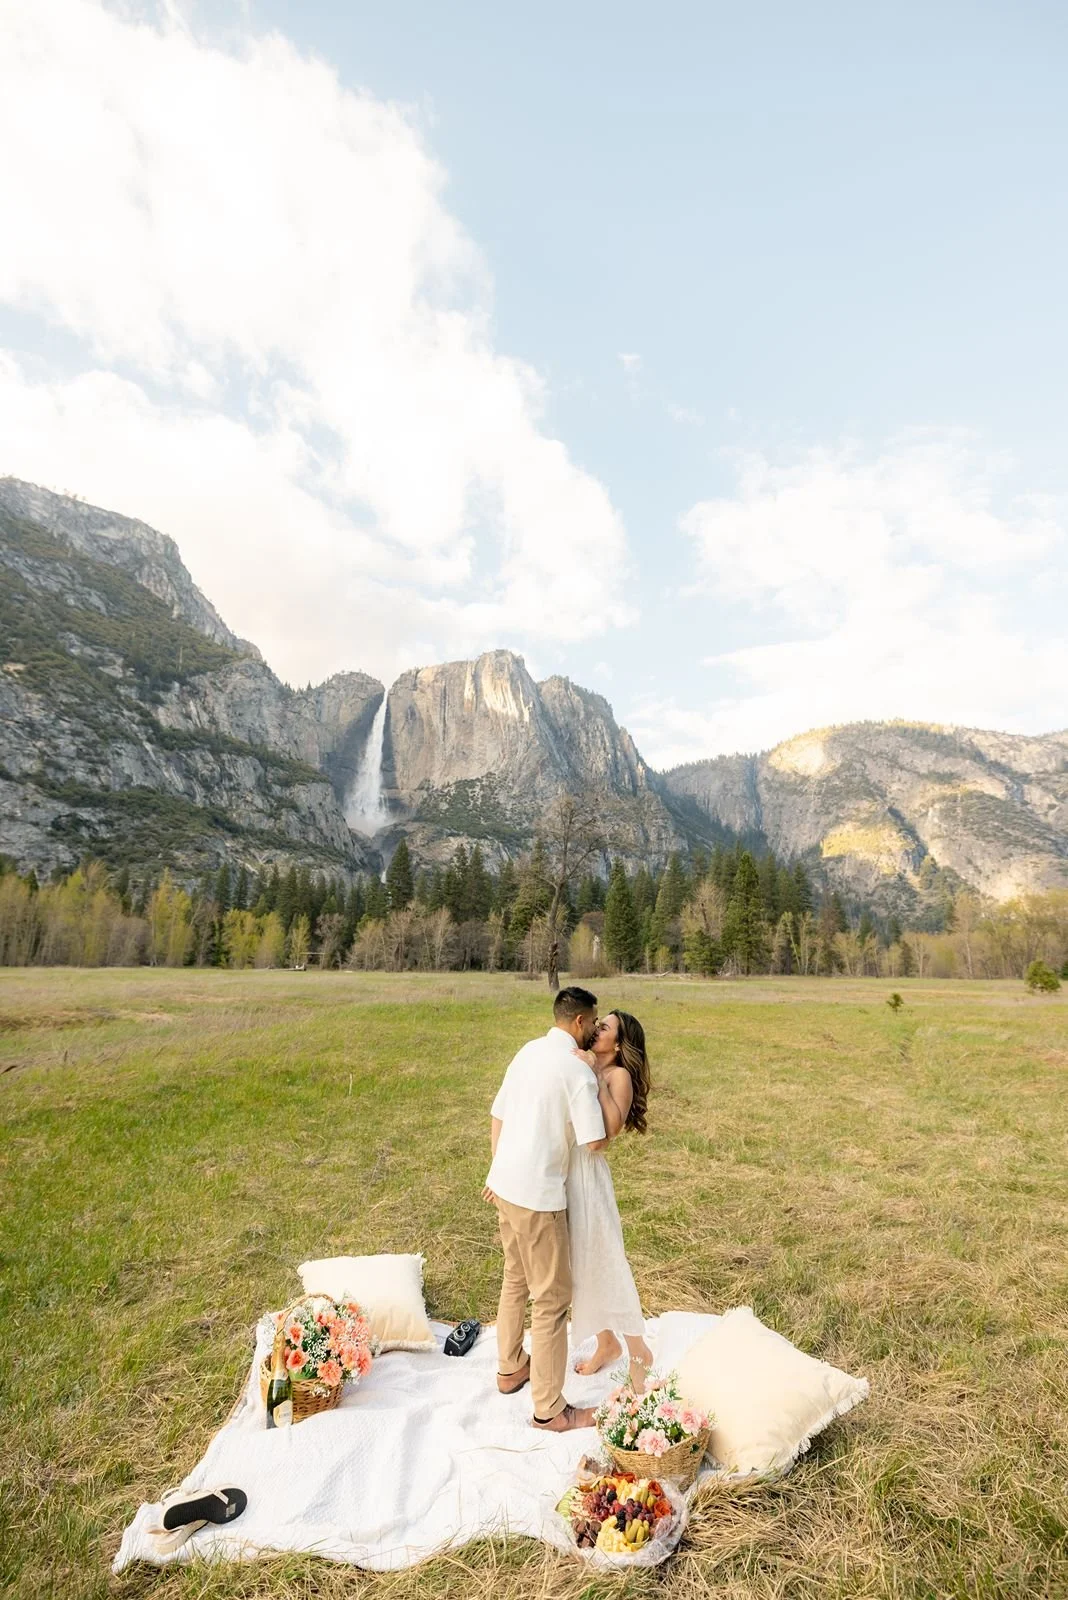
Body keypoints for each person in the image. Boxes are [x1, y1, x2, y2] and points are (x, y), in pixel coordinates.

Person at [483, 986, 606, 1431]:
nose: (594, 1031)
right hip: (537, 1196)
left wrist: (495, 1170)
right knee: (552, 1299)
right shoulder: (577, 1070)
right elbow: (594, 1140)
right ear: (578, 1022)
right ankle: (550, 1409)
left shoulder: (527, 1051)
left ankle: (510, 1366)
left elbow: (497, 1114)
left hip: (504, 1184)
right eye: (592, 1023)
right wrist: (594, 1076)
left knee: (515, 1276)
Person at [568, 1010, 653, 1390]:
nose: (596, 1028)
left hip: (590, 1174)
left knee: (606, 1261)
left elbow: (612, 1126)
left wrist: (595, 1077)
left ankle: (639, 1351)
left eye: (605, 1027)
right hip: (567, 1168)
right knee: (578, 1262)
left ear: (617, 1044)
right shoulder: (581, 1060)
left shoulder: (617, 1076)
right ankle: (607, 1343)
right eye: (597, 1022)